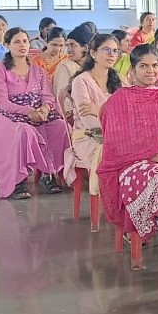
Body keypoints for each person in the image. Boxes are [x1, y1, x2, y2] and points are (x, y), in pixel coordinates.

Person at [97, 44, 158, 259]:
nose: (151, 71)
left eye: (154, 65)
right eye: (144, 66)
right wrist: (151, 156)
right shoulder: (120, 99)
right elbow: (116, 143)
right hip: (130, 164)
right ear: (132, 70)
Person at [0, 27, 70, 199]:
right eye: (17, 42)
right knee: (24, 130)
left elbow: (48, 96)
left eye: (25, 41)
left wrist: (45, 109)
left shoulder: (37, 70)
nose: (22, 45)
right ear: (7, 45)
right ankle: (18, 181)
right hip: (8, 116)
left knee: (60, 126)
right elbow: (2, 102)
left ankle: (49, 173)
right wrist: (28, 111)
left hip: (38, 113)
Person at [64, 34, 122, 194]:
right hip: (88, 137)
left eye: (115, 51)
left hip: (115, 135)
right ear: (93, 53)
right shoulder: (81, 81)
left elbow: (128, 114)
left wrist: (98, 111)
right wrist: (117, 122)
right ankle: (113, 198)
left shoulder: (119, 80)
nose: (111, 54)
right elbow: (89, 121)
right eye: (106, 50)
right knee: (116, 151)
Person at [53, 24, 95, 114]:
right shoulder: (65, 66)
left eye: (72, 45)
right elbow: (65, 103)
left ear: (85, 47)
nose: (68, 50)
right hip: (76, 115)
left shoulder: (97, 66)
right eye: (67, 46)